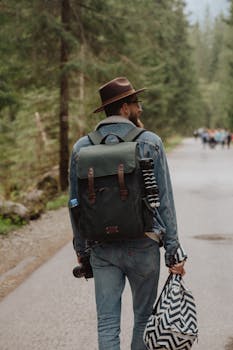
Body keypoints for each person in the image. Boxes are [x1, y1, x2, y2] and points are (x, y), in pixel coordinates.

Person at [69, 77, 186, 350]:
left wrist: (82, 249)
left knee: (107, 323)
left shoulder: (81, 148)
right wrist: (172, 250)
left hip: (102, 248)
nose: (140, 109)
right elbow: (165, 201)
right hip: (143, 244)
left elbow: (75, 203)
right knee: (144, 319)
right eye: (136, 103)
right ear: (124, 108)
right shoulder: (151, 142)